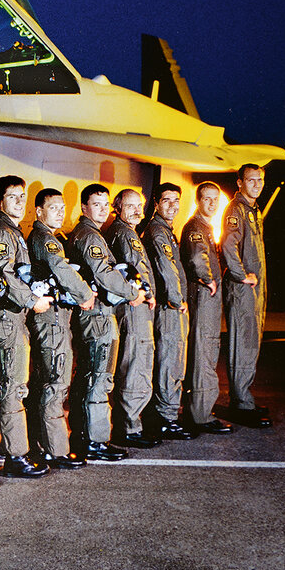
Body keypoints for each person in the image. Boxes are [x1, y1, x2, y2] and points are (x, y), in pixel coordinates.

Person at [67, 184, 144, 461]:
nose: (102, 209)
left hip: (94, 316)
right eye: (96, 204)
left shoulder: (90, 233)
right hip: (98, 317)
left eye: (105, 204)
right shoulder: (90, 236)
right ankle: (95, 441)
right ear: (84, 207)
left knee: (89, 375)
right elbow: (103, 273)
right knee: (100, 378)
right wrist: (133, 293)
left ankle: (83, 436)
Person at [0, 176, 51, 477]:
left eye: (22, 197)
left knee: (5, 384)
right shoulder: (2, 231)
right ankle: (15, 456)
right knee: (14, 387)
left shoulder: (13, 230)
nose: (20, 202)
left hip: (13, 317)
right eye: (13, 197)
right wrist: (32, 300)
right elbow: (6, 273)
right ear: (0, 201)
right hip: (8, 317)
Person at [26, 188, 96, 469]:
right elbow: (61, 268)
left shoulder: (51, 237)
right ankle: (55, 450)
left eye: (62, 208)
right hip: (52, 321)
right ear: (39, 212)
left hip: (54, 320)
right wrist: (85, 294)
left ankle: (42, 445)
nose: (60, 212)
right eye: (53, 208)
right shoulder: (46, 239)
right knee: (55, 383)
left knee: (48, 381)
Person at [104, 189, 165, 447]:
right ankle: (129, 428)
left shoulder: (123, 231)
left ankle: (130, 424)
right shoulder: (126, 234)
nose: (137, 211)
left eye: (139, 205)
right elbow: (135, 266)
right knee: (136, 364)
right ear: (117, 208)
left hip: (131, 306)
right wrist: (148, 293)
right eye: (130, 206)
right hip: (134, 306)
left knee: (133, 363)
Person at [220, 164, 273, 428]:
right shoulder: (236, 210)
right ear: (240, 183)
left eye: (260, 180)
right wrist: (241, 275)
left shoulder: (253, 210)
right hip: (243, 289)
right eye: (251, 180)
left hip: (254, 289)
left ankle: (244, 396)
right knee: (243, 342)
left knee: (251, 342)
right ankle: (240, 402)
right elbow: (228, 244)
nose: (257, 184)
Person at [180, 182, 233, 435]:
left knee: (206, 352)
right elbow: (197, 256)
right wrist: (207, 277)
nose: (212, 203)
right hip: (203, 298)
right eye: (207, 199)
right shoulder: (196, 228)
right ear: (198, 201)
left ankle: (199, 411)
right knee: (204, 353)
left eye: (215, 199)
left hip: (207, 299)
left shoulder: (206, 227)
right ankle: (200, 416)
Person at [142, 183, 194, 440]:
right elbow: (166, 267)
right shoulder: (158, 232)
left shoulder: (165, 230)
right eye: (167, 200)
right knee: (171, 362)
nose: (173, 205)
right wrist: (177, 300)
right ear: (156, 203)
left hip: (171, 306)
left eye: (176, 200)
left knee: (170, 360)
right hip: (170, 308)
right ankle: (166, 418)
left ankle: (164, 415)